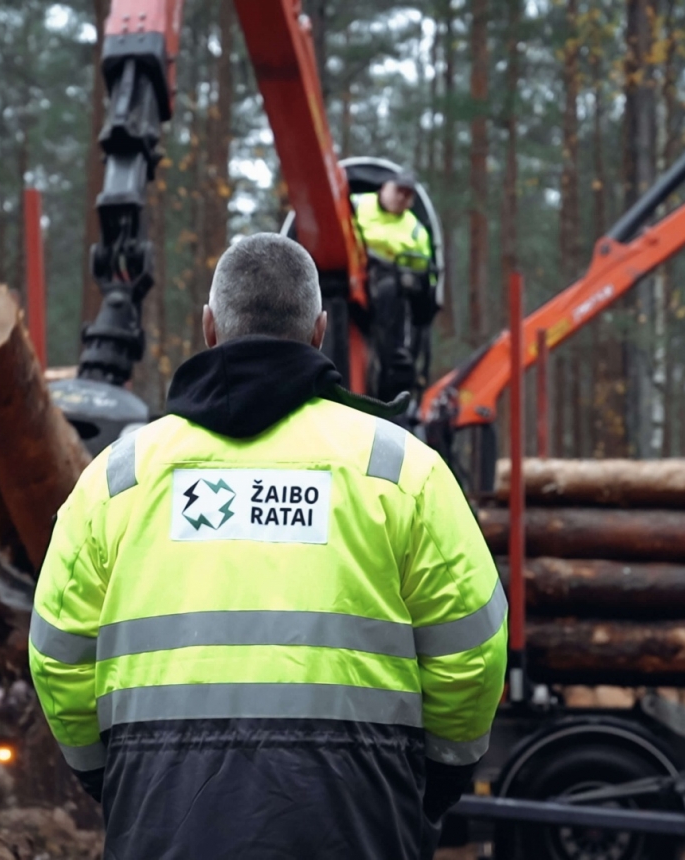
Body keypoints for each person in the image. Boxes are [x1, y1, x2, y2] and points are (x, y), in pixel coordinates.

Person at [29, 233, 507, 860]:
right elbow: (472, 651)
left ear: (208, 328)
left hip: (162, 809)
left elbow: (56, 653)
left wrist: (106, 773)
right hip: (356, 810)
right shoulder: (400, 469)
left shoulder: (118, 476)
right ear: (319, 331)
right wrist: (436, 779)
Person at [353, 171, 438, 403]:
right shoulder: (357, 204)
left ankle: (394, 369)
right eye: (399, 190)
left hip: (391, 291)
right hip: (354, 276)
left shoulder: (415, 230)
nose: (402, 198)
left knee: (395, 290)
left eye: (408, 194)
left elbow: (425, 272)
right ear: (383, 187)